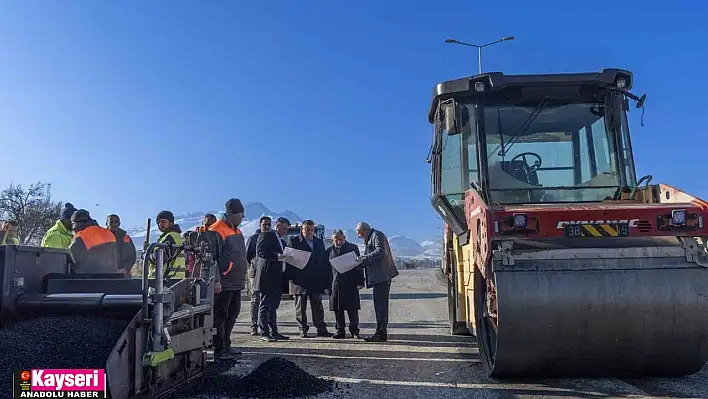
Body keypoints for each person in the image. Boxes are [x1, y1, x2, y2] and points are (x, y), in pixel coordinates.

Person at [209, 199, 248, 360]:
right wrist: (217, 279)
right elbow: (211, 258)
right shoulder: (216, 230)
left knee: (233, 313)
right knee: (221, 315)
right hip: (223, 282)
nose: (243, 217)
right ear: (233, 214)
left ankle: (227, 344)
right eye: (241, 214)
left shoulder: (237, 231)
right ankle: (219, 349)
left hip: (236, 282)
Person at [356, 222, 399, 342]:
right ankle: (381, 332)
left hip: (382, 276)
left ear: (364, 230)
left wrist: (363, 259)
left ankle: (381, 333)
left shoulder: (377, 235)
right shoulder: (373, 236)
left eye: (360, 234)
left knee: (381, 306)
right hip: (379, 277)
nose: (360, 237)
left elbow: (380, 252)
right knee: (379, 306)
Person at [287, 220, 331, 338]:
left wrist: (324, 279)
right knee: (300, 307)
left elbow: (323, 261)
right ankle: (303, 329)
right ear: (302, 229)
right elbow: (289, 261)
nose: (309, 232)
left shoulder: (319, 242)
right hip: (299, 279)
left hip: (315, 279)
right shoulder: (293, 241)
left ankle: (321, 329)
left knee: (317, 305)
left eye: (311, 230)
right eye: (306, 229)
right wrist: (291, 278)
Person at [254, 217, 291, 342]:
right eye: (284, 228)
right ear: (278, 225)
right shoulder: (266, 235)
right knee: (265, 305)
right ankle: (264, 332)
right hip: (267, 276)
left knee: (273, 306)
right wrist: (277, 255)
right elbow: (260, 252)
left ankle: (273, 331)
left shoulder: (282, 242)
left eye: (287, 229)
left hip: (277, 278)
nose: (286, 231)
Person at [327, 229, 364, 339]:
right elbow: (326, 270)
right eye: (336, 240)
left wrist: (360, 281)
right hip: (335, 284)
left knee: (352, 309)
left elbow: (358, 266)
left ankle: (355, 330)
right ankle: (340, 331)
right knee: (337, 309)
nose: (338, 242)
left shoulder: (352, 248)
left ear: (344, 238)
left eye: (341, 239)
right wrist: (326, 286)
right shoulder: (329, 251)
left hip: (350, 283)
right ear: (332, 240)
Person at [69, 209, 120, 274]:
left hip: (89, 280)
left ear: (79, 223)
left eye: (73, 223)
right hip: (111, 279)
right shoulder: (109, 234)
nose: (72, 227)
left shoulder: (81, 236)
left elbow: (72, 259)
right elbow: (117, 258)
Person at [245, 216, 272, 336]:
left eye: (268, 225)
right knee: (255, 299)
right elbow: (247, 256)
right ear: (260, 225)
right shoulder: (253, 239)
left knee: (266, 301)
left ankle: (264, 325)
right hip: (255, 272)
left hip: (267, 273)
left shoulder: (272, 238)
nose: (266, 227)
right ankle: (253, 325)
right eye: (264, 224)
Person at [151, 211, 186, 280]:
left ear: (171, 223)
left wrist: (146, 254)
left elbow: (160, 258)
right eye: (158, 222)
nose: (160, 224)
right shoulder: (168, 236)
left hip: (168, 280)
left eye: (163, 222)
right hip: (172, 278)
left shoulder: (171, 237)